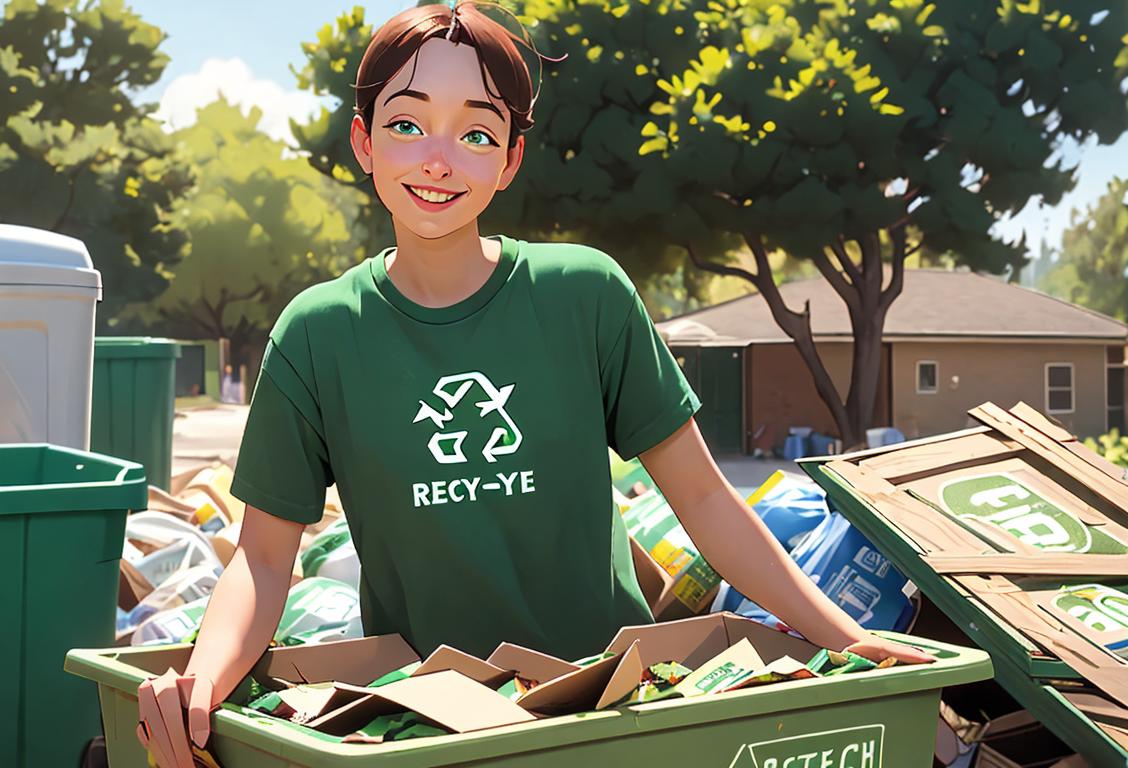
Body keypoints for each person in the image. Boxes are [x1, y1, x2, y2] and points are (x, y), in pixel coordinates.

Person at [135, 4, 932, 766]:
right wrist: (201, 683)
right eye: (407, 125)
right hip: (429, 722)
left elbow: (706, 502)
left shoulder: (585, 295)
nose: (439, 160)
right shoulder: (316, 334)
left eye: (476, 133)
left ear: (511, 158)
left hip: (614, 712)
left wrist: (843, 637)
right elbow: (265, 559)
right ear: (364, 142)